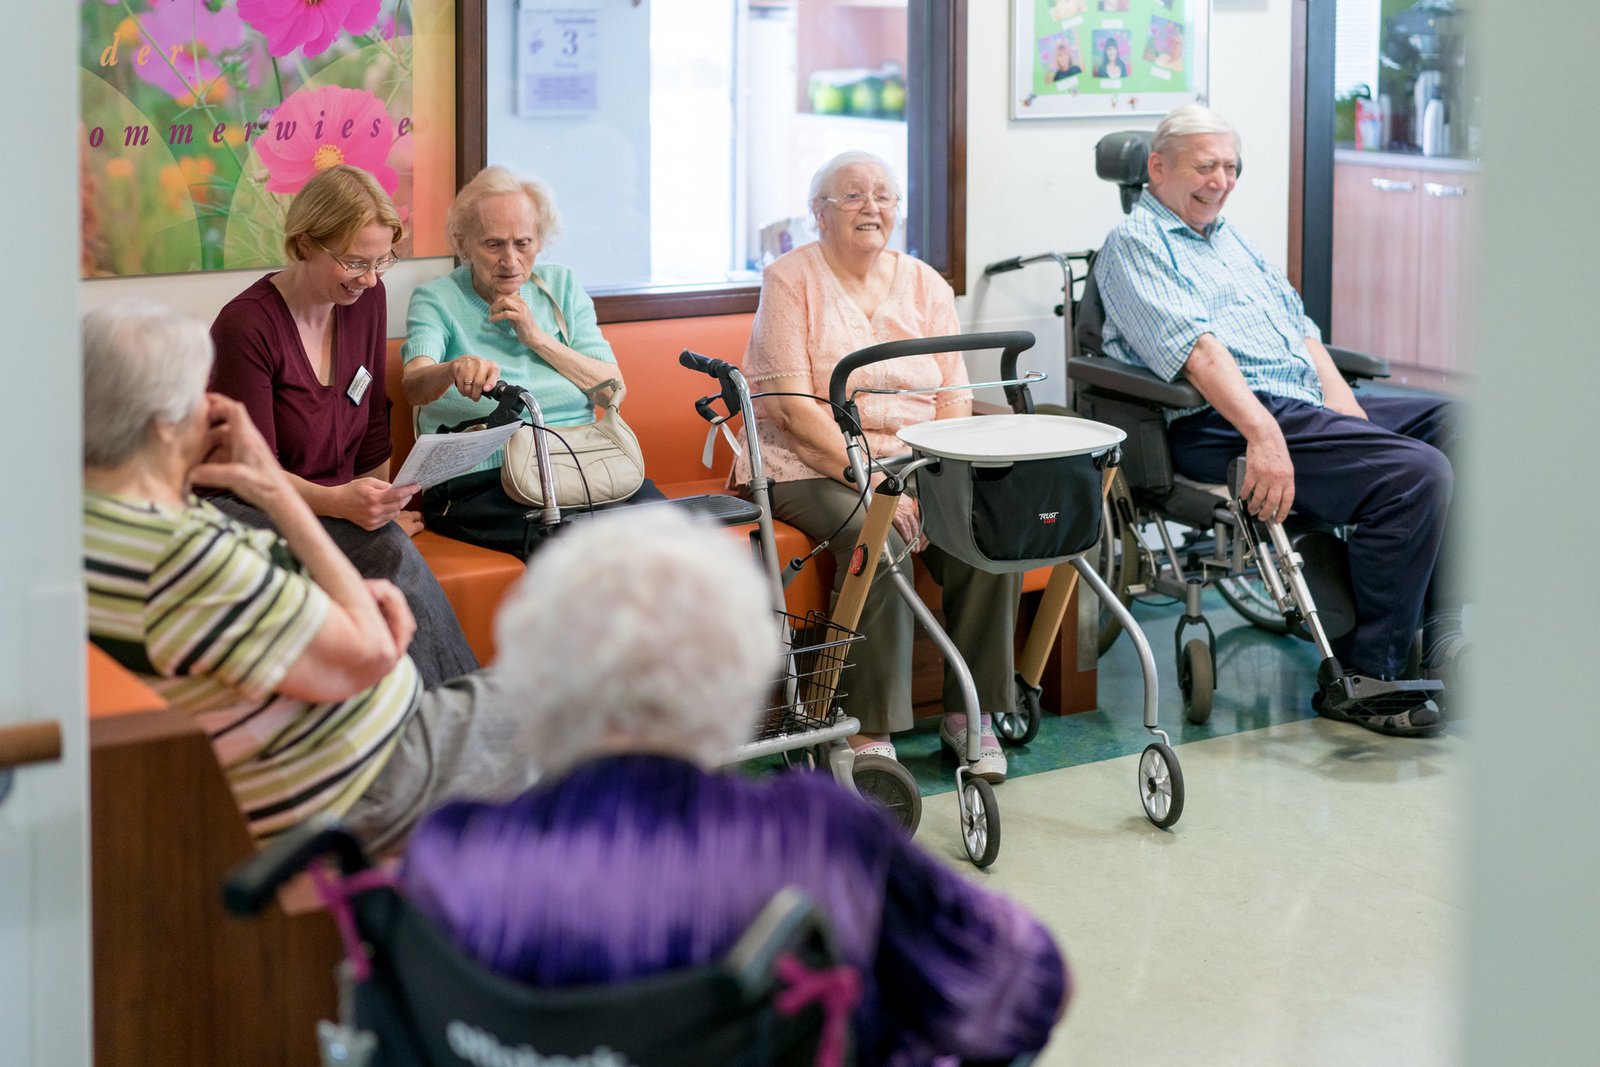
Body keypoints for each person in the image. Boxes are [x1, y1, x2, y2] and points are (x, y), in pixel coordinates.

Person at [400, 509, 1070, 1066]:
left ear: (534, 675)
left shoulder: (450, 857)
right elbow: (1024, 984)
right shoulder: (813, 834)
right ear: (737, 674)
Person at [82, 301, 533, 847]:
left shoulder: (86, 522)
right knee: (577, 697)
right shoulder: (182, 555)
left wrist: (347, 610)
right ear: (165, 424)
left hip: (343, 750)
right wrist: (271, 487)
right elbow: (371, 648)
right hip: (363, 783)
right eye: (199, 394)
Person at [1093, 104, 1463, 736]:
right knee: (1413, 474)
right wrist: (1263, 433)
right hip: (1224, 418)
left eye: (1231, 166)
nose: (1222, 180)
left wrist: (1348, 410)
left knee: (1463, 426)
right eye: (1206, 166)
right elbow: (1199, 354)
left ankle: (1441, 631)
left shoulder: (1230, 238)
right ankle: (1368, 674)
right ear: (1157, 168)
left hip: (1301, 400)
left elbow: (1304, 334)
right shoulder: (1134, 245)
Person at [731, 150, 1020, 783]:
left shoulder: (924, 282)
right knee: (879, 539)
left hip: (918, 458)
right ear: (820, 214)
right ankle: (867, 728)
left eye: (884, 196)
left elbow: (954, 394)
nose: (873, 208)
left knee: (987, 534)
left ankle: (972, 714)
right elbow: (789, 410)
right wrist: (875, 479)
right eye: (854, 196)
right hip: (810, 465)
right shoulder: (790, 279)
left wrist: (938, 471)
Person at [208, 164, 477, 687]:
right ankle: (461, 714)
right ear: (305, 243)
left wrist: (380, 504)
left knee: (385, 543)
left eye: (382, 261)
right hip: (242, 508)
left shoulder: (365, 300)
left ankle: (445, 717)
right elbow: (251, 474)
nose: (370, 278)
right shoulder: (248, 326)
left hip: (332, 505)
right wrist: (343, 507)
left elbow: (374, 417)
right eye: (354, 261)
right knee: (386, 553)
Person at [402, 166, 665, 557]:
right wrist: (452, 370)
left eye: (522, 243)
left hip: (581, 466)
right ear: (464, 243)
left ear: (540, 240)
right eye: (493, 245)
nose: (511, 260)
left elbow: (612, 387)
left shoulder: (562, 287)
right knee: (590, 553)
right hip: (483, 481)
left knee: (672, 536)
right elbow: (413, 383)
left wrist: (536, 337)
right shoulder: (436, 299)